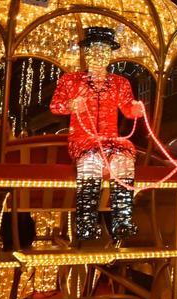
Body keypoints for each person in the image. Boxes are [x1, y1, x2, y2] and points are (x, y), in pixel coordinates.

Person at [50, 27, 145, 243]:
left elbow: (127, 109)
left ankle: (122, 220)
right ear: (87, 53)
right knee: (90, 166)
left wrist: (135, 109)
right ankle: (86, 223)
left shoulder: (120, 83)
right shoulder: (71, 81)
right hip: (83, 140)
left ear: (110, 54)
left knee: (124, 161)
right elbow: (55, 106)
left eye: (104, 50)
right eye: (95, 49)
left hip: (111, 140)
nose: (99, 54)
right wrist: (71, 105)